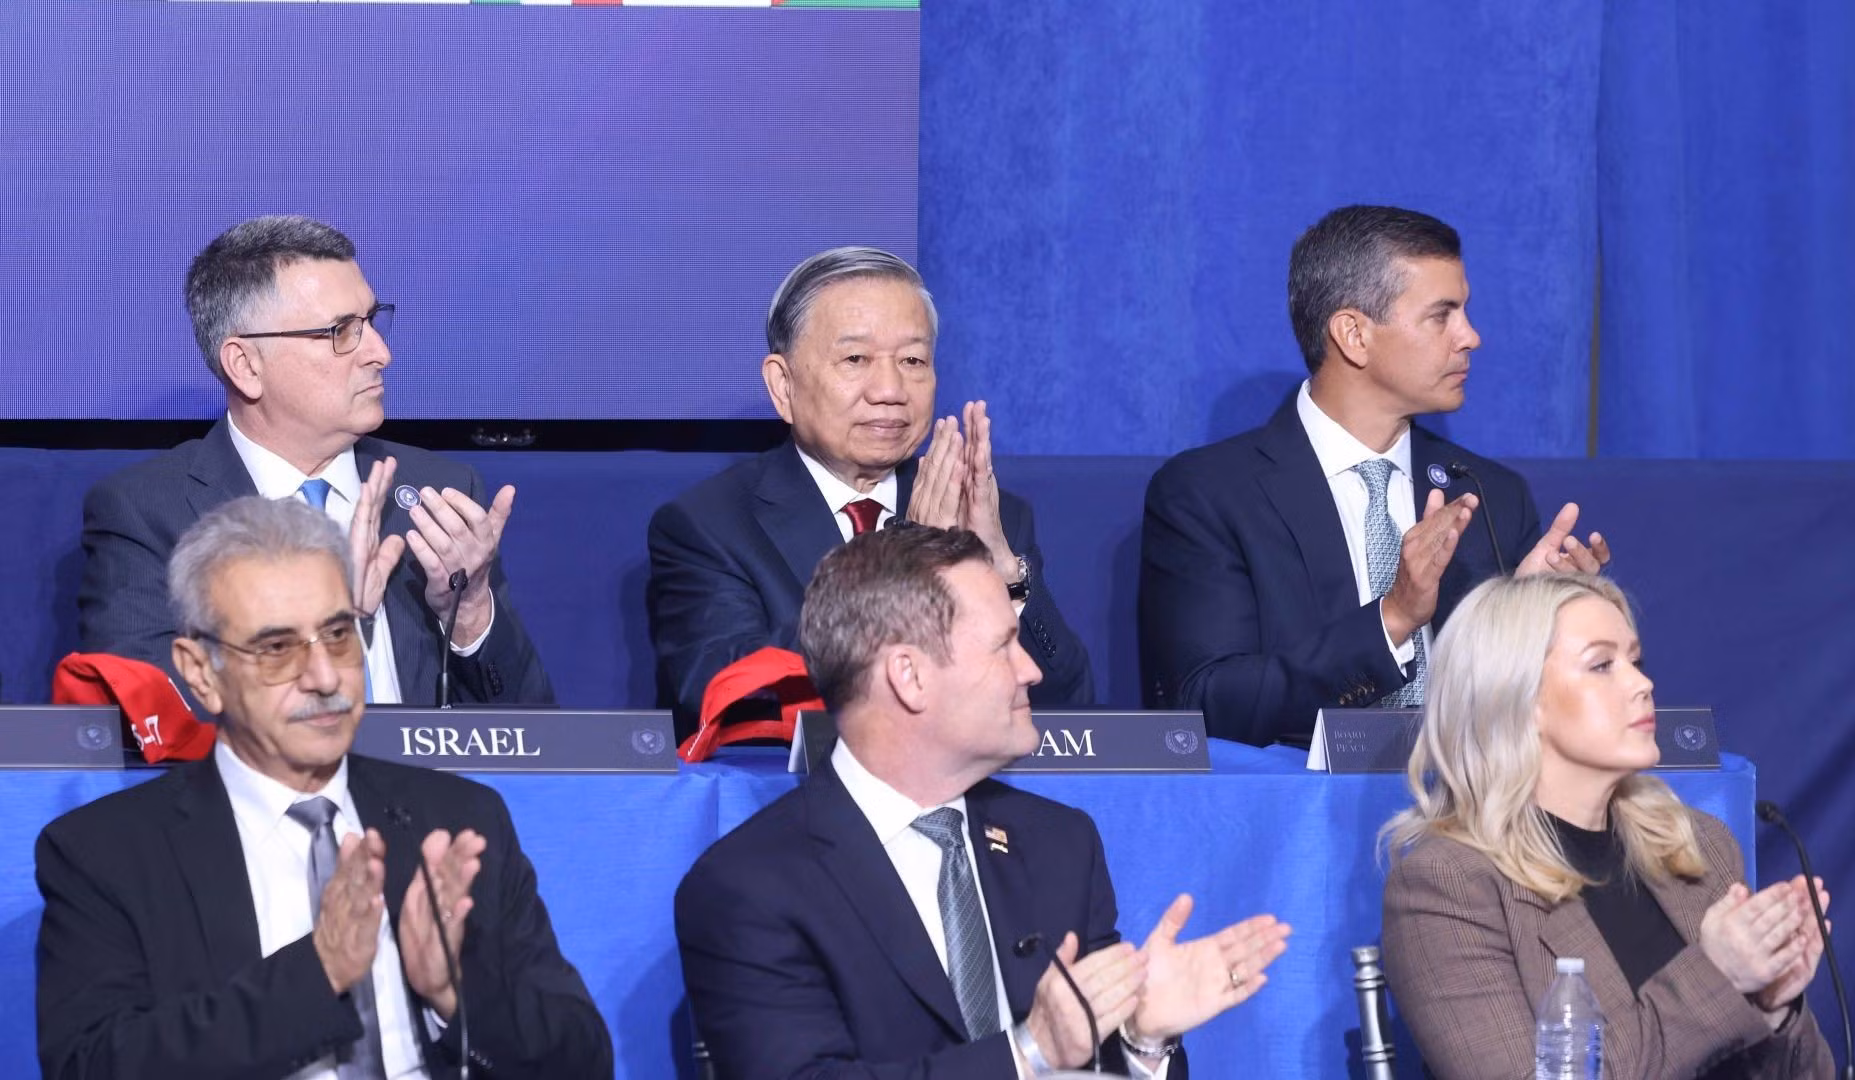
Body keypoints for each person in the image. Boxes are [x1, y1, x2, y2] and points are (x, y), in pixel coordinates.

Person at [675, 524, 1290, 1078]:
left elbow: (1090, 1054)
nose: (1032, 671)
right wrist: (1028, 1053)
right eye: (1003, 646)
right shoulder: (750, 888)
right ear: (909, 677)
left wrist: (1141, 1040)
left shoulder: (1058, 843)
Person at [36, 496, 611, 1078]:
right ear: (201, 673)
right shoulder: (107, 853)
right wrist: (320, 973)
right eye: (277, 648)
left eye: (338, 634)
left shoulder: (458, 820)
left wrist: (454, 996)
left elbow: (582, 1059)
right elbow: (94, 1066)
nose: (323, 677)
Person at [1139, 205, 1609, 746]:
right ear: (1353, 335)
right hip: (1296, 815)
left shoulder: (1488, 495)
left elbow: (1516, 721)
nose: (1471, 337)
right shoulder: (1209, 495)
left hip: (1473, 814)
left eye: (1465, 312)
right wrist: (1393, 618)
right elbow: (1203, 705)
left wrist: (1523, 623)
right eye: (1442, 314)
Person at [78, 214, 551, 709]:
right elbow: (153, 715)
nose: (380, 352)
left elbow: (539, 731)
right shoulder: (149, 513)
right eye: (341, 330)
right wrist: (328, 629)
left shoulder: (438, 494)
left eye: (371, 320)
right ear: (246, 366)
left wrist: (472, 613)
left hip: (429, 785)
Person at [1379, 574, 1834, 1078]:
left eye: (1635, 662)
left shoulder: (1696, 845)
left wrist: (1771, 1006)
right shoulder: (1449, 886)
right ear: (1517, 699)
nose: (1643, 684)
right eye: (1602, 665)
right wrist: (1719, 976)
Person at [648, 247, 1092, 738]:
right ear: (783, 386)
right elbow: (723, 693)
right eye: (856, 358)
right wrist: (907, 576)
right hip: (795, 799)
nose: (890, 388)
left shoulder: (989, 513)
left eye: (913, 359)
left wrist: (1006, 577)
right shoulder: (710, 525)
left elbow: (1068, 707)